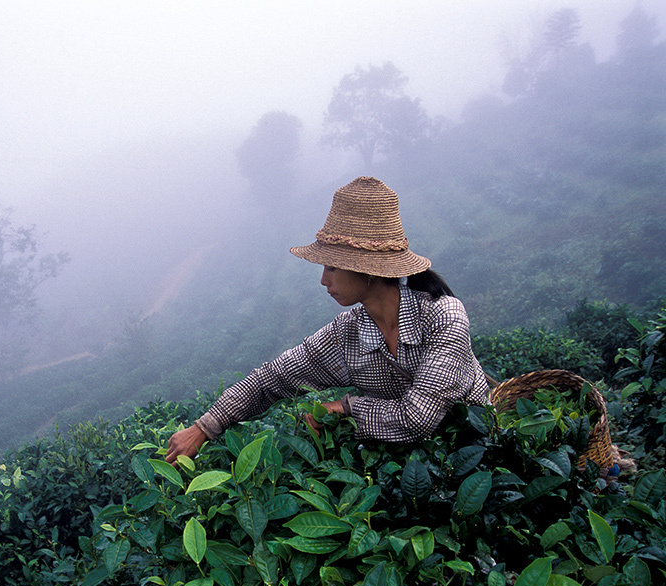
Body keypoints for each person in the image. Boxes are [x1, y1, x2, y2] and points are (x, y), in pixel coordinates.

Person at [166, 176, 490, 465]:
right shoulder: (347, 333)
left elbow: (417, 418)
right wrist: (204, 427)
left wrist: (347, 407)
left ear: (367, 269)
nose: (324, 280)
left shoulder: (443, 317)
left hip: (474, 451)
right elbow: (272, 379)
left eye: (332, 267)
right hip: (408, 463)